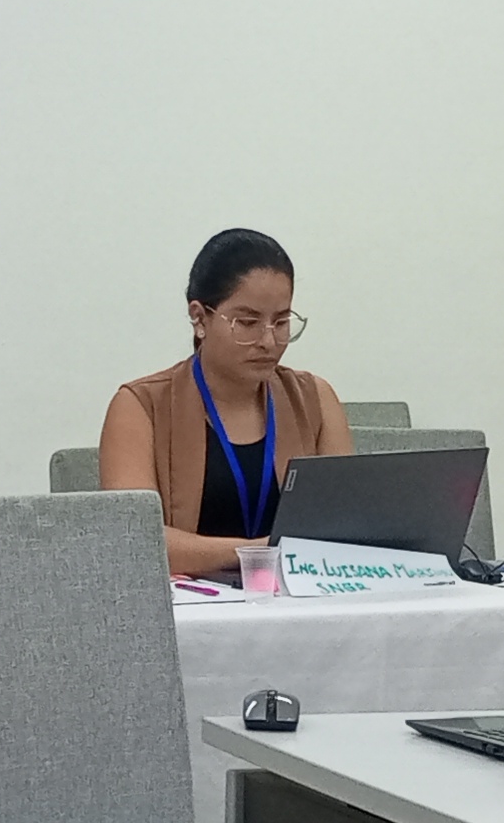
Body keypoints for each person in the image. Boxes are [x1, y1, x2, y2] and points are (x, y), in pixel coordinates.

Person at [98, 228, 352, 582]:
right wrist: (261, 552)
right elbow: (134, 539)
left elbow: (345, 524)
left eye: (281, 322)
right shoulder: (141, 406)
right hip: (187, 607)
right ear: (199, 318)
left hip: (297, 602)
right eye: (247, 323)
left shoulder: (314, 399)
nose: (268, 341)